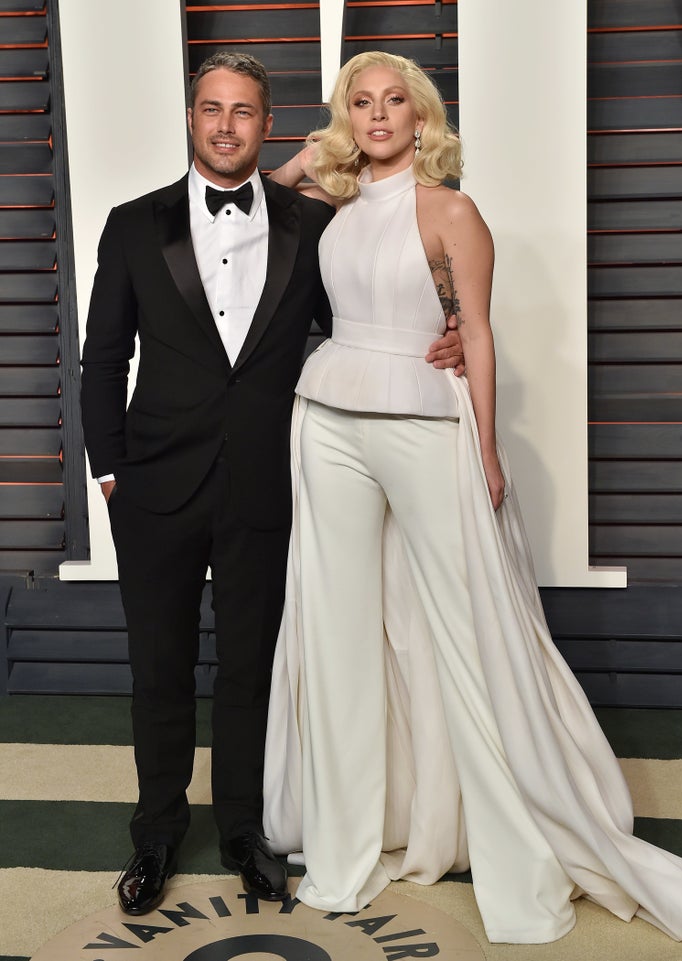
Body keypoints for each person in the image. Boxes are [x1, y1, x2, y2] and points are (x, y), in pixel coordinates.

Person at [262, 51, 682, 944]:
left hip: (425, 422)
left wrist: (490, 448)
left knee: (470, 637)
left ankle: (516, 853)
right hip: (326, 420)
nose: (380, 115)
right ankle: (344, 854)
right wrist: (309, 158)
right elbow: (250, 211)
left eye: (396, 102)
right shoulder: (332, 203)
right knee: (337, 635)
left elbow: (479, 331)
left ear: (422, 119)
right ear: (345, 116)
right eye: (362, 102)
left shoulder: (455, 211)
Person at [79, 51, 462, 917]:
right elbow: (104, 358)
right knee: (159, 670)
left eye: (243, 112)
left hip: (265, 483)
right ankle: (156, 832)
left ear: (267, 123)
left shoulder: (310, 224)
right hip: (153, 489)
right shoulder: (133, 224)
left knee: (251, 671)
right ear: (191, 118)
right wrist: (109, 473)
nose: (225, 126)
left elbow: (365, 310)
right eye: (211, 109)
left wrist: (451, 327)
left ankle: (246, 832)